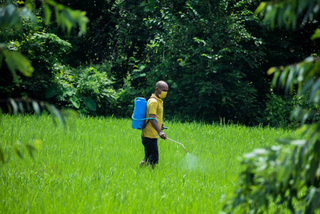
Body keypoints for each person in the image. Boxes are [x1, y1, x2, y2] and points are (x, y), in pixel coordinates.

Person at [140, 81, 169, 169]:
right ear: (157, 89)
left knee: (148, 157)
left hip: (151, 134)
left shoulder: (158, 101)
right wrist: (160, 132)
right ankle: (152, 175)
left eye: (167, 91)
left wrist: (160, 125)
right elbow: (152, 119)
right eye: (163, 90)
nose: (165, 92)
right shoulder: (153, 102)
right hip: (149, 135)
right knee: (153, 158)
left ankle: (141, 170)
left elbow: (156, 117)